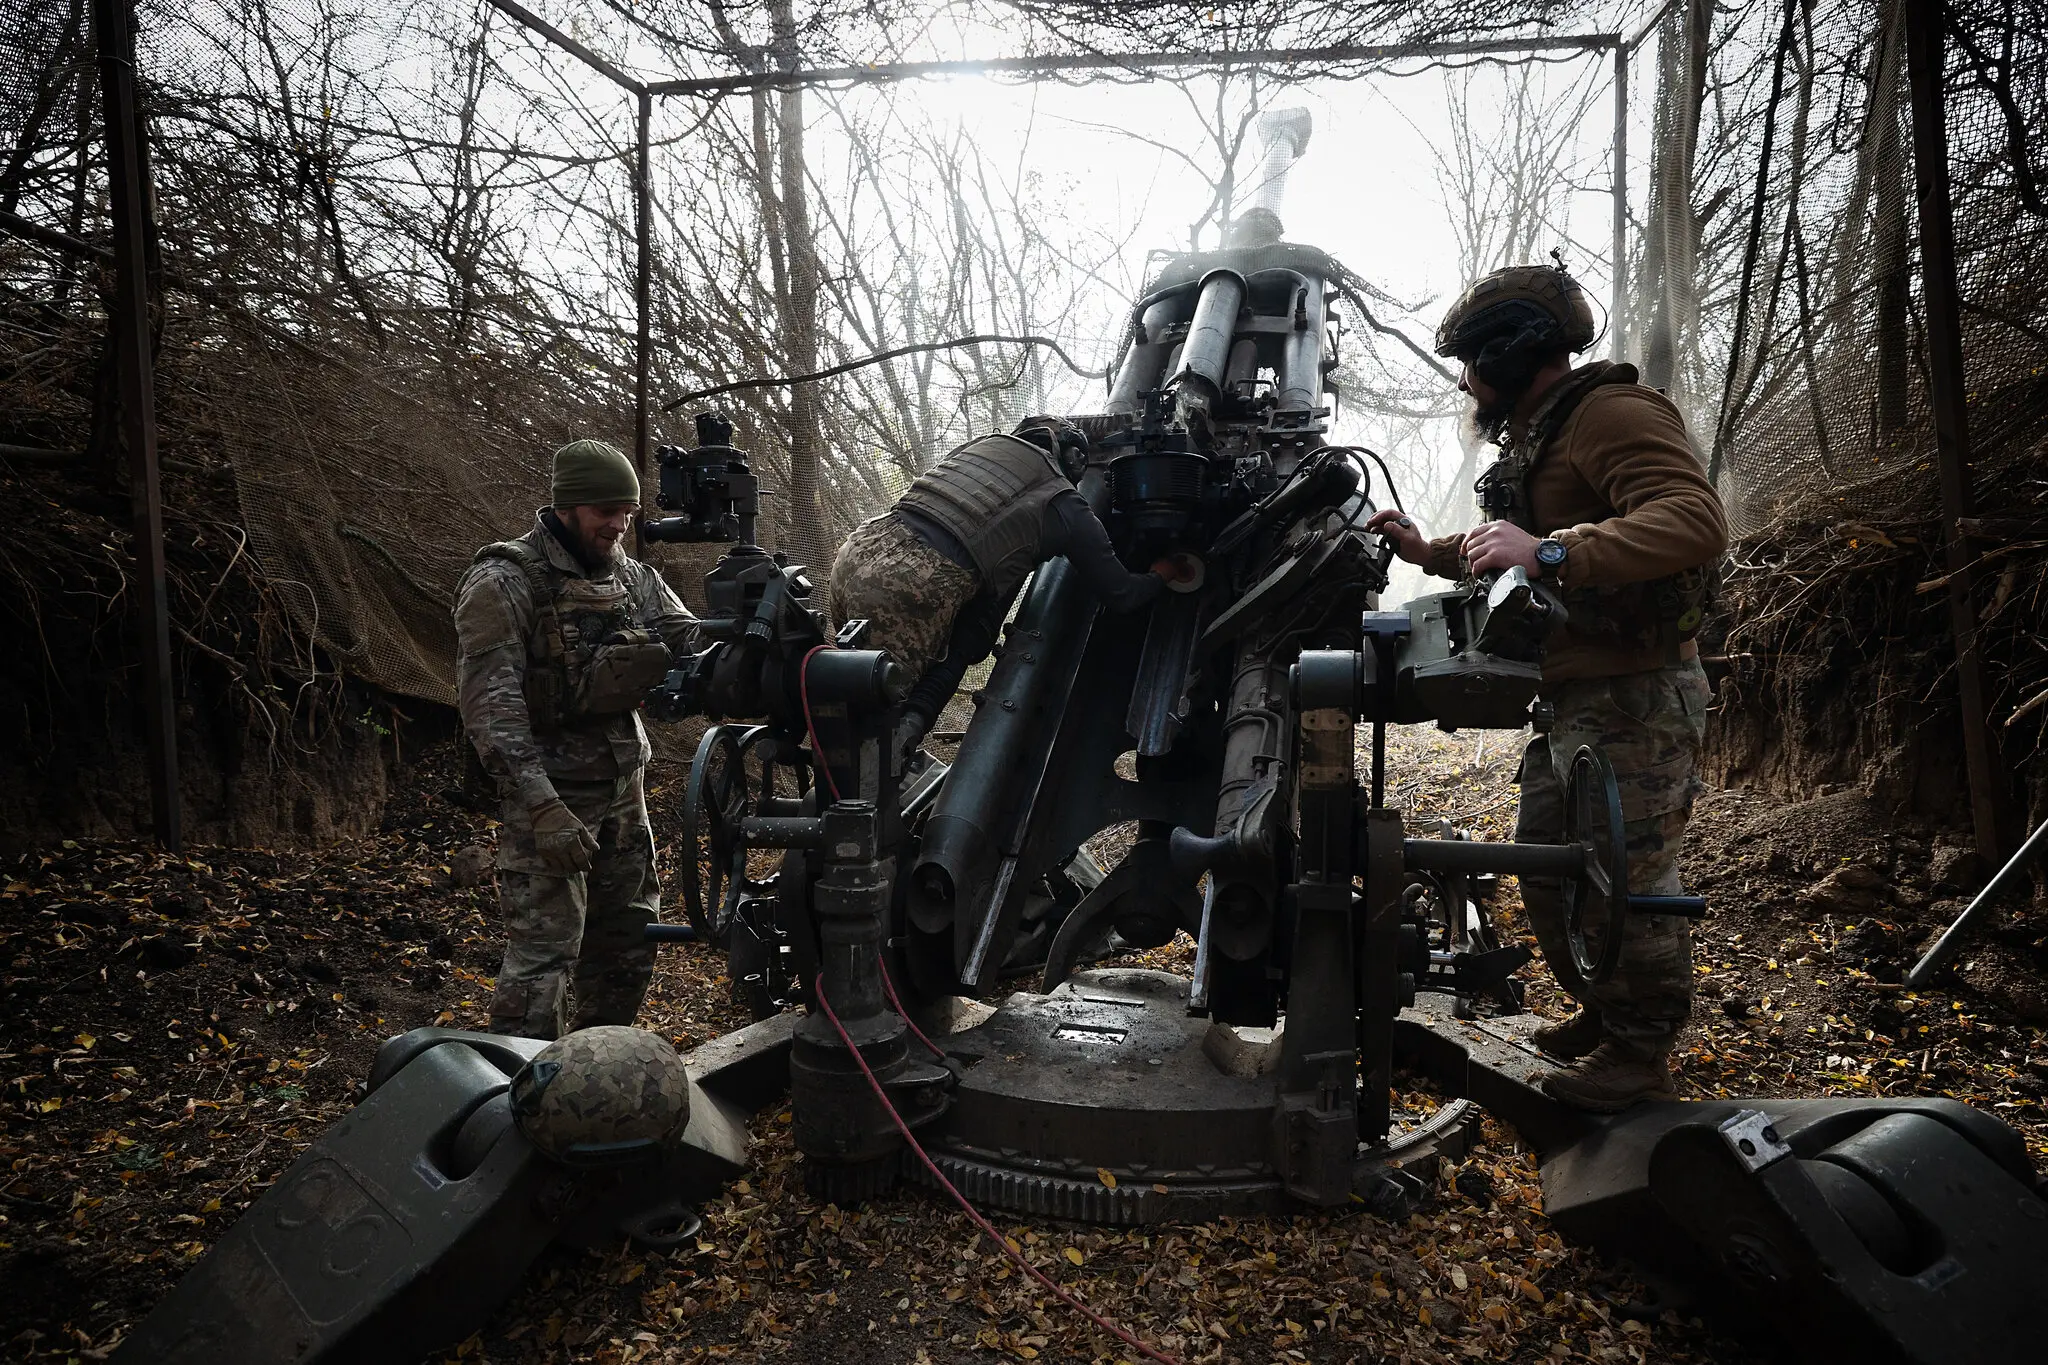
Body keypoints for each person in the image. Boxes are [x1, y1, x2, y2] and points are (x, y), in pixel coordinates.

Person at [1367, 261, 1727, 1111]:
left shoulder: (1611, 412)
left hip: (1638, 693)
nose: (1464, 382)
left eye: (1470, 362)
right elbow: (1507, 541)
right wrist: (1429, 552)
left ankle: (1640, 1052)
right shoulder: (1541, 432)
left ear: (1510, 350)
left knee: (1629, 877)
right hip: (1570, 697)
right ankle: (1604, 1013)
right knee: (1550, 870)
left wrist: (1554, 553)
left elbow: (1693, 519)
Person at [454, 438, 700, 1039]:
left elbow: (690, 638)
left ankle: (594, 1072)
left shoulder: (632, 576)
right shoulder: (506, 582)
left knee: (629, 936)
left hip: (623, 788)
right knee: (544, 958)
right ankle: (523, 1085)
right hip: (552, 795)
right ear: (567, 508)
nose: (618, 526)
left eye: (627, 512)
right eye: (605, 513)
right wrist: (540, 807)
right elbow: (493, 710)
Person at [829, 416, 1188, 759]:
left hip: (859, 549)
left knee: (848, 691)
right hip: (909, 582)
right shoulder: (1063, 502)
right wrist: (1161, 573)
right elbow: (1122, 593)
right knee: (876, 735)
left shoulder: (986, 445)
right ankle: (858, 808)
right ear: (1074, 460)